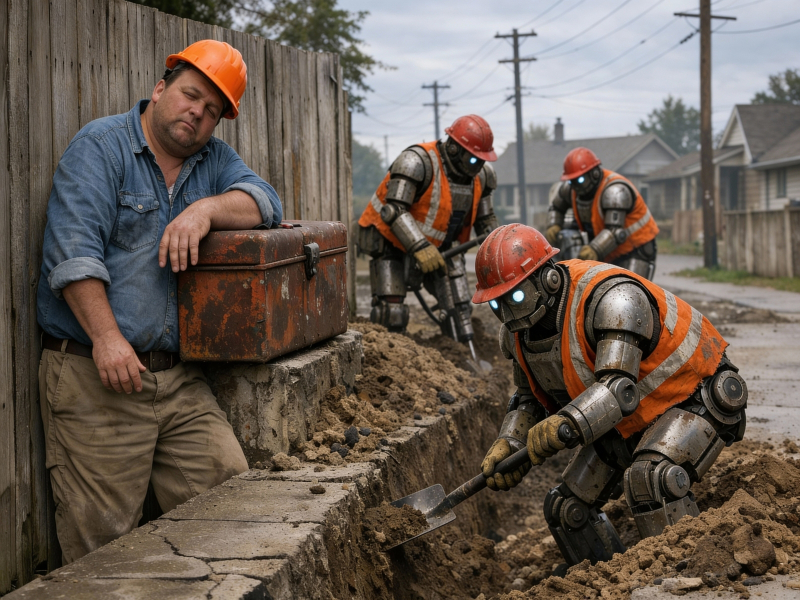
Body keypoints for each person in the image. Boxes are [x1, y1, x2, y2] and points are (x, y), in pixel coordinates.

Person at [36, 40, 282, 563]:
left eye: (212, 110)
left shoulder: (213, 160)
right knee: (103, 549)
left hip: (177, 383)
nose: (197, 112)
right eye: (191, 95)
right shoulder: (100, 148)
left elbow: (266, 201)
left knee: (231, 508)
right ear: (160, 88)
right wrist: (106, 339)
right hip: (96, 376)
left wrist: (206, 211)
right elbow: (73, 255)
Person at [474, 224, 746, 568]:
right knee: (566, 508)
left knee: (651, 479)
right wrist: (512, 444)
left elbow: (619, 392)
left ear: (549, 279)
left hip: (696, 392)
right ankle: (614, 577)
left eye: (514, 295)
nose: (507, 312)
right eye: (496, 303)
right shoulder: (517, 334)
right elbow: (528, 397)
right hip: (630, 419)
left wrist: (565, 424)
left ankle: (688, 577)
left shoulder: (611, 298)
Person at [356, 114, 500, 347]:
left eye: (482, 160)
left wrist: (497, 249)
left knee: (459, 306)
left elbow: (486, 220)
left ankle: (460, 350)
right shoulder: (416, 162)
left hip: (440, 245)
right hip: (389, 240)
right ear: (453, 148)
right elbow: (393, 210)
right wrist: (420, 247)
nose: (478, 165)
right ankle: (390, 356)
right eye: (473, 159)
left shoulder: (482, 176)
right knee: (392, 311)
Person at [545, 147, 659, 280]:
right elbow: (556, 206)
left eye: (580, 180)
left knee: (632, 292)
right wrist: (554, 224)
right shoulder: (571, 189)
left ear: (594, 174)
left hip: (636, 250)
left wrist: (594, 249)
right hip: (609, 251)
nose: (576, 185)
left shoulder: (615, 191)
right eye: (572, 180)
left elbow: (614, 231)